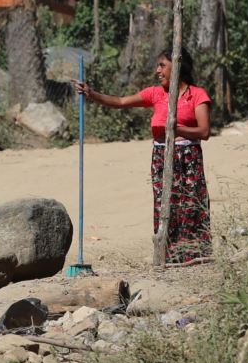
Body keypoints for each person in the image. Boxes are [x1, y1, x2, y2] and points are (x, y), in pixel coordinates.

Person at [75, 48, 213, 266]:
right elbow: (121, 102)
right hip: (161, 157)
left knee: (191, 202)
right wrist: (91, 94)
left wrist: (175, 128)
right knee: (164, 204)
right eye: (158, 65)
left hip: (188, 158)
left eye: (162, 65)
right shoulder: (155, 93)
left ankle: (194, 255)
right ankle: (169, 256)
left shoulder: (196, 95)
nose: (157, 70)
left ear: (177, 66)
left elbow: (204, 132)